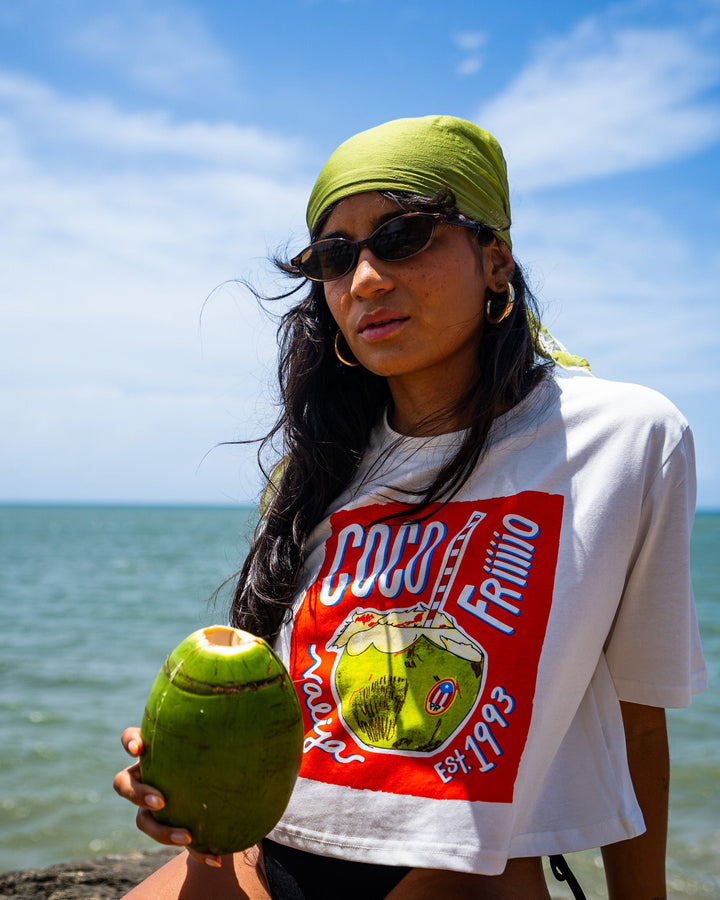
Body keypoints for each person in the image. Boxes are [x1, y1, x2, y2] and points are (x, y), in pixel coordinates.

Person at [114, 115, 707, 899]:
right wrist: (192, 788)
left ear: (495, 259)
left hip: (460, 872)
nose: (364, 280)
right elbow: (288, 704)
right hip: (268, 850)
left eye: (402, 236)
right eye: (334, 256)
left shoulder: (626, 438)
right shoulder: (318, 470)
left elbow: (636, 717)